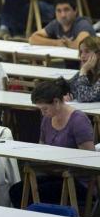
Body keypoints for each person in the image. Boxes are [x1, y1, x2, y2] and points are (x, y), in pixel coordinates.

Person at [8, 78, 95, 207]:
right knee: (16, 190)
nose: (43, 113)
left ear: (56, 102)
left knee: (30, 194)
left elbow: (90, 161)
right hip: (55, 174)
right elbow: (42, 148)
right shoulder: (48, 119)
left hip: (77, 180)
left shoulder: (78, 121)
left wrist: (58, 167)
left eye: (45, 109)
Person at [29, 0, 95, 50]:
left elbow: (81, 44)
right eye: (59, 11)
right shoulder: (56, 23)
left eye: (66, 10)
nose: (63, 15)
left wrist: (68, 44)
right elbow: (33, 38)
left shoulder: (83, 24)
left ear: (75, 11)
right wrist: (56, 43)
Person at [69, 36, 100, 103]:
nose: (82, 56)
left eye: (87, 51)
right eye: (81, 52)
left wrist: (83, 71)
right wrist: (68, 94)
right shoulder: (89, 70)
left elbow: (83, 96)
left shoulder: (85, 70)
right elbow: (69, 86)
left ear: (98, 54)